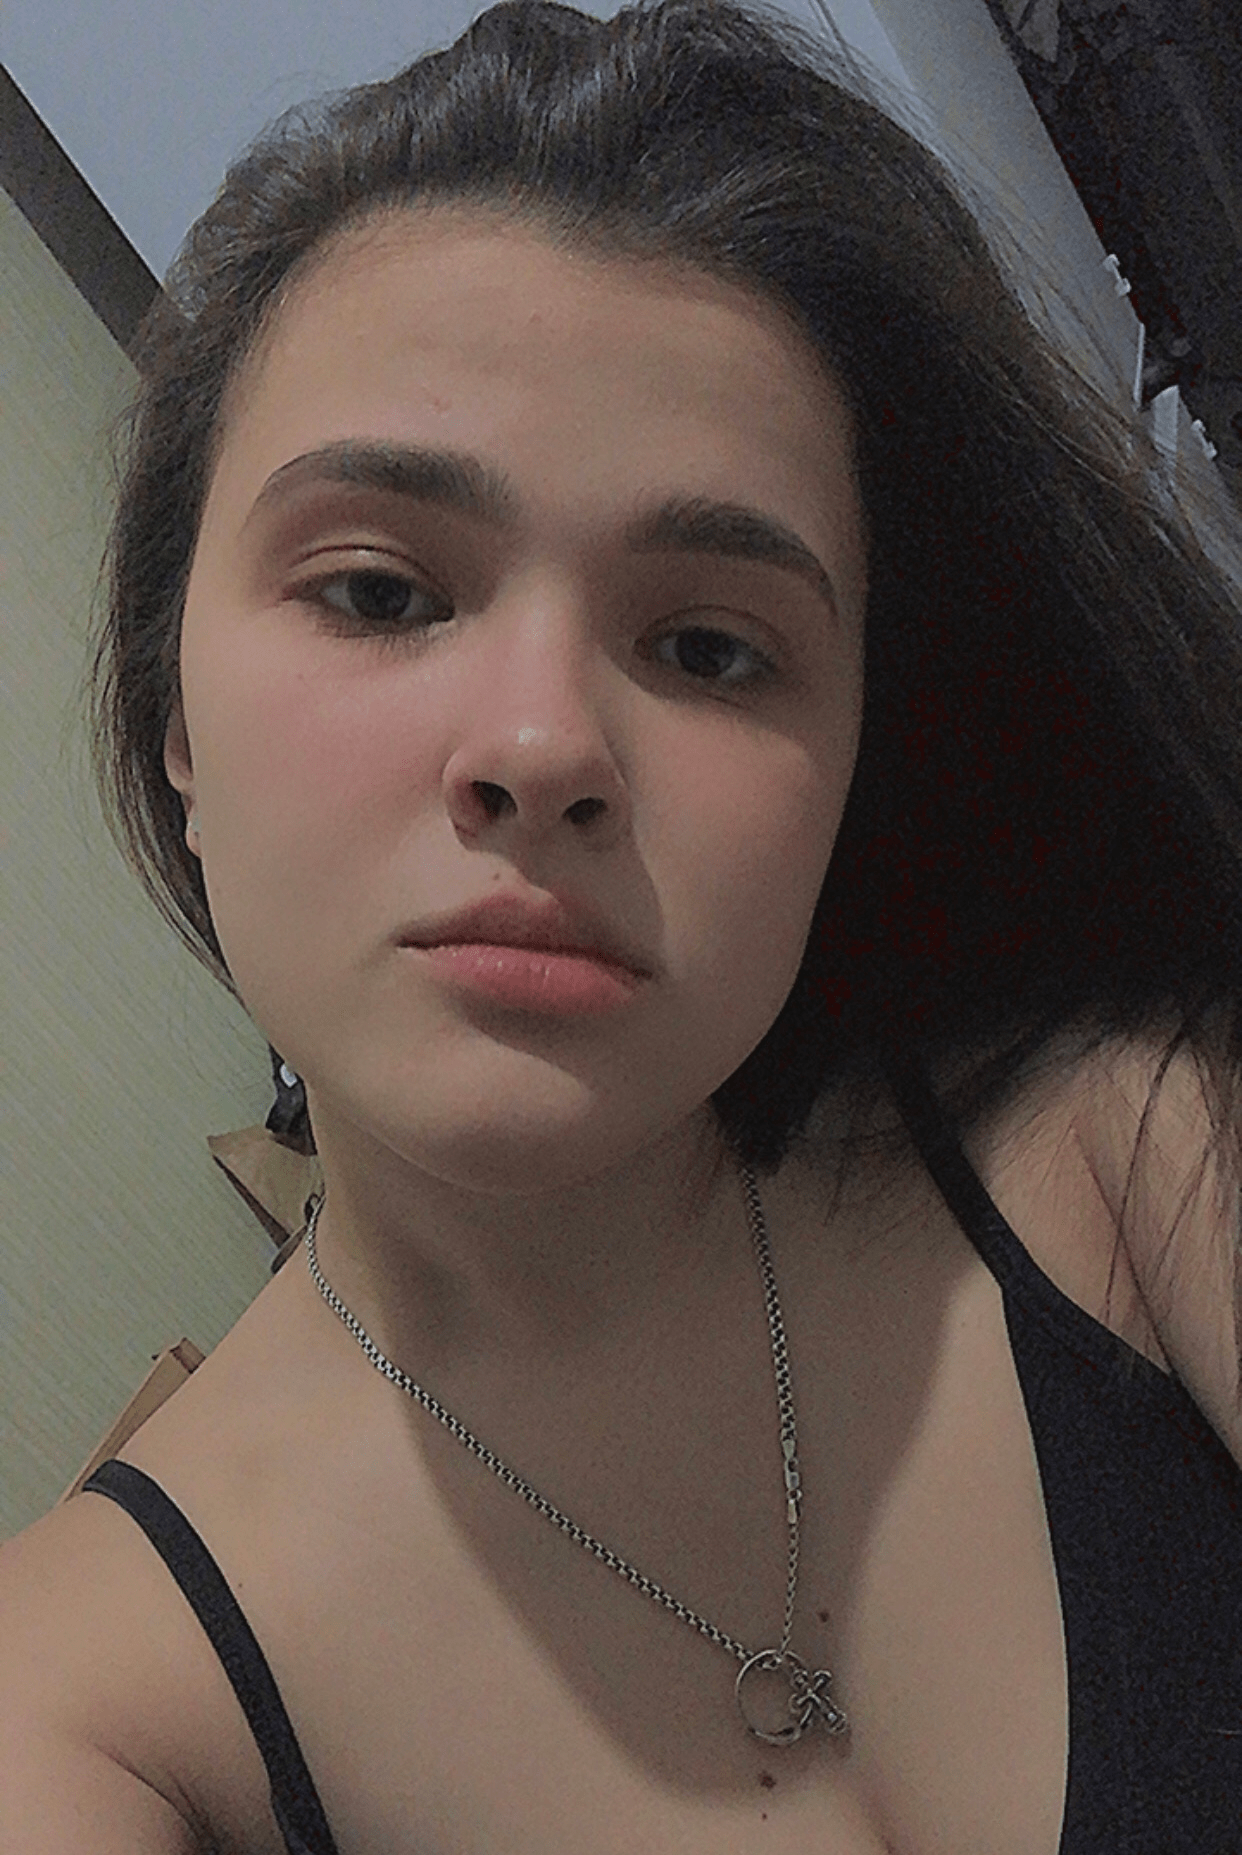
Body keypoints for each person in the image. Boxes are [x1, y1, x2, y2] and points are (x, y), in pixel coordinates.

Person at [4, 1, 1242, 1848]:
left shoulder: (1133, 1142)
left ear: (855, 748)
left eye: (709, 646)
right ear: (175, 719)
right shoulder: (84, 1710)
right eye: (379, 591)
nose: (539, 745)